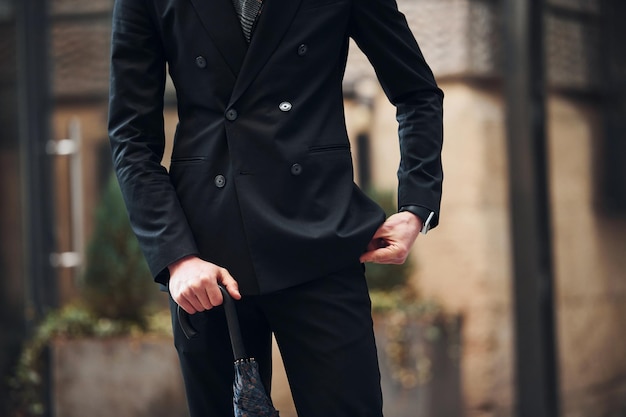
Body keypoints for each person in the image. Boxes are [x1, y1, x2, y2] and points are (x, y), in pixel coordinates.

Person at [108, 0, 443, 415]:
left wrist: (416, 205)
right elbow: (131, 138)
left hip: (321, 241)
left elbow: (417, 94)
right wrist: (177, 256)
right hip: (208, 260)